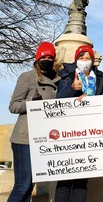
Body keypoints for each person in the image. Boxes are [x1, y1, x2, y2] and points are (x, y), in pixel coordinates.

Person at [8, 42, 60, 202]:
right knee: (22, 185)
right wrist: (31, 102)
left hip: (44, 139)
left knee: (30, 186)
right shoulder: (27, 77)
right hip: (25, 139)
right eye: (44, 56)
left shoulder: (59, 80)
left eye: (50, 57)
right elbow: (13, 106)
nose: (47, 59)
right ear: (38, 58)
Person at [54, 45, 103, 202]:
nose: (84, 61)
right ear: (76, 60)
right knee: (64, 180)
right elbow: (56, 102)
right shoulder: (66, 76)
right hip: (67, 132)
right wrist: (71, 88)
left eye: (88, 58)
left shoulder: (100, 79)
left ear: (92, 60)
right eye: (81, 57)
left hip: (88, 132)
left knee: (81, 181)